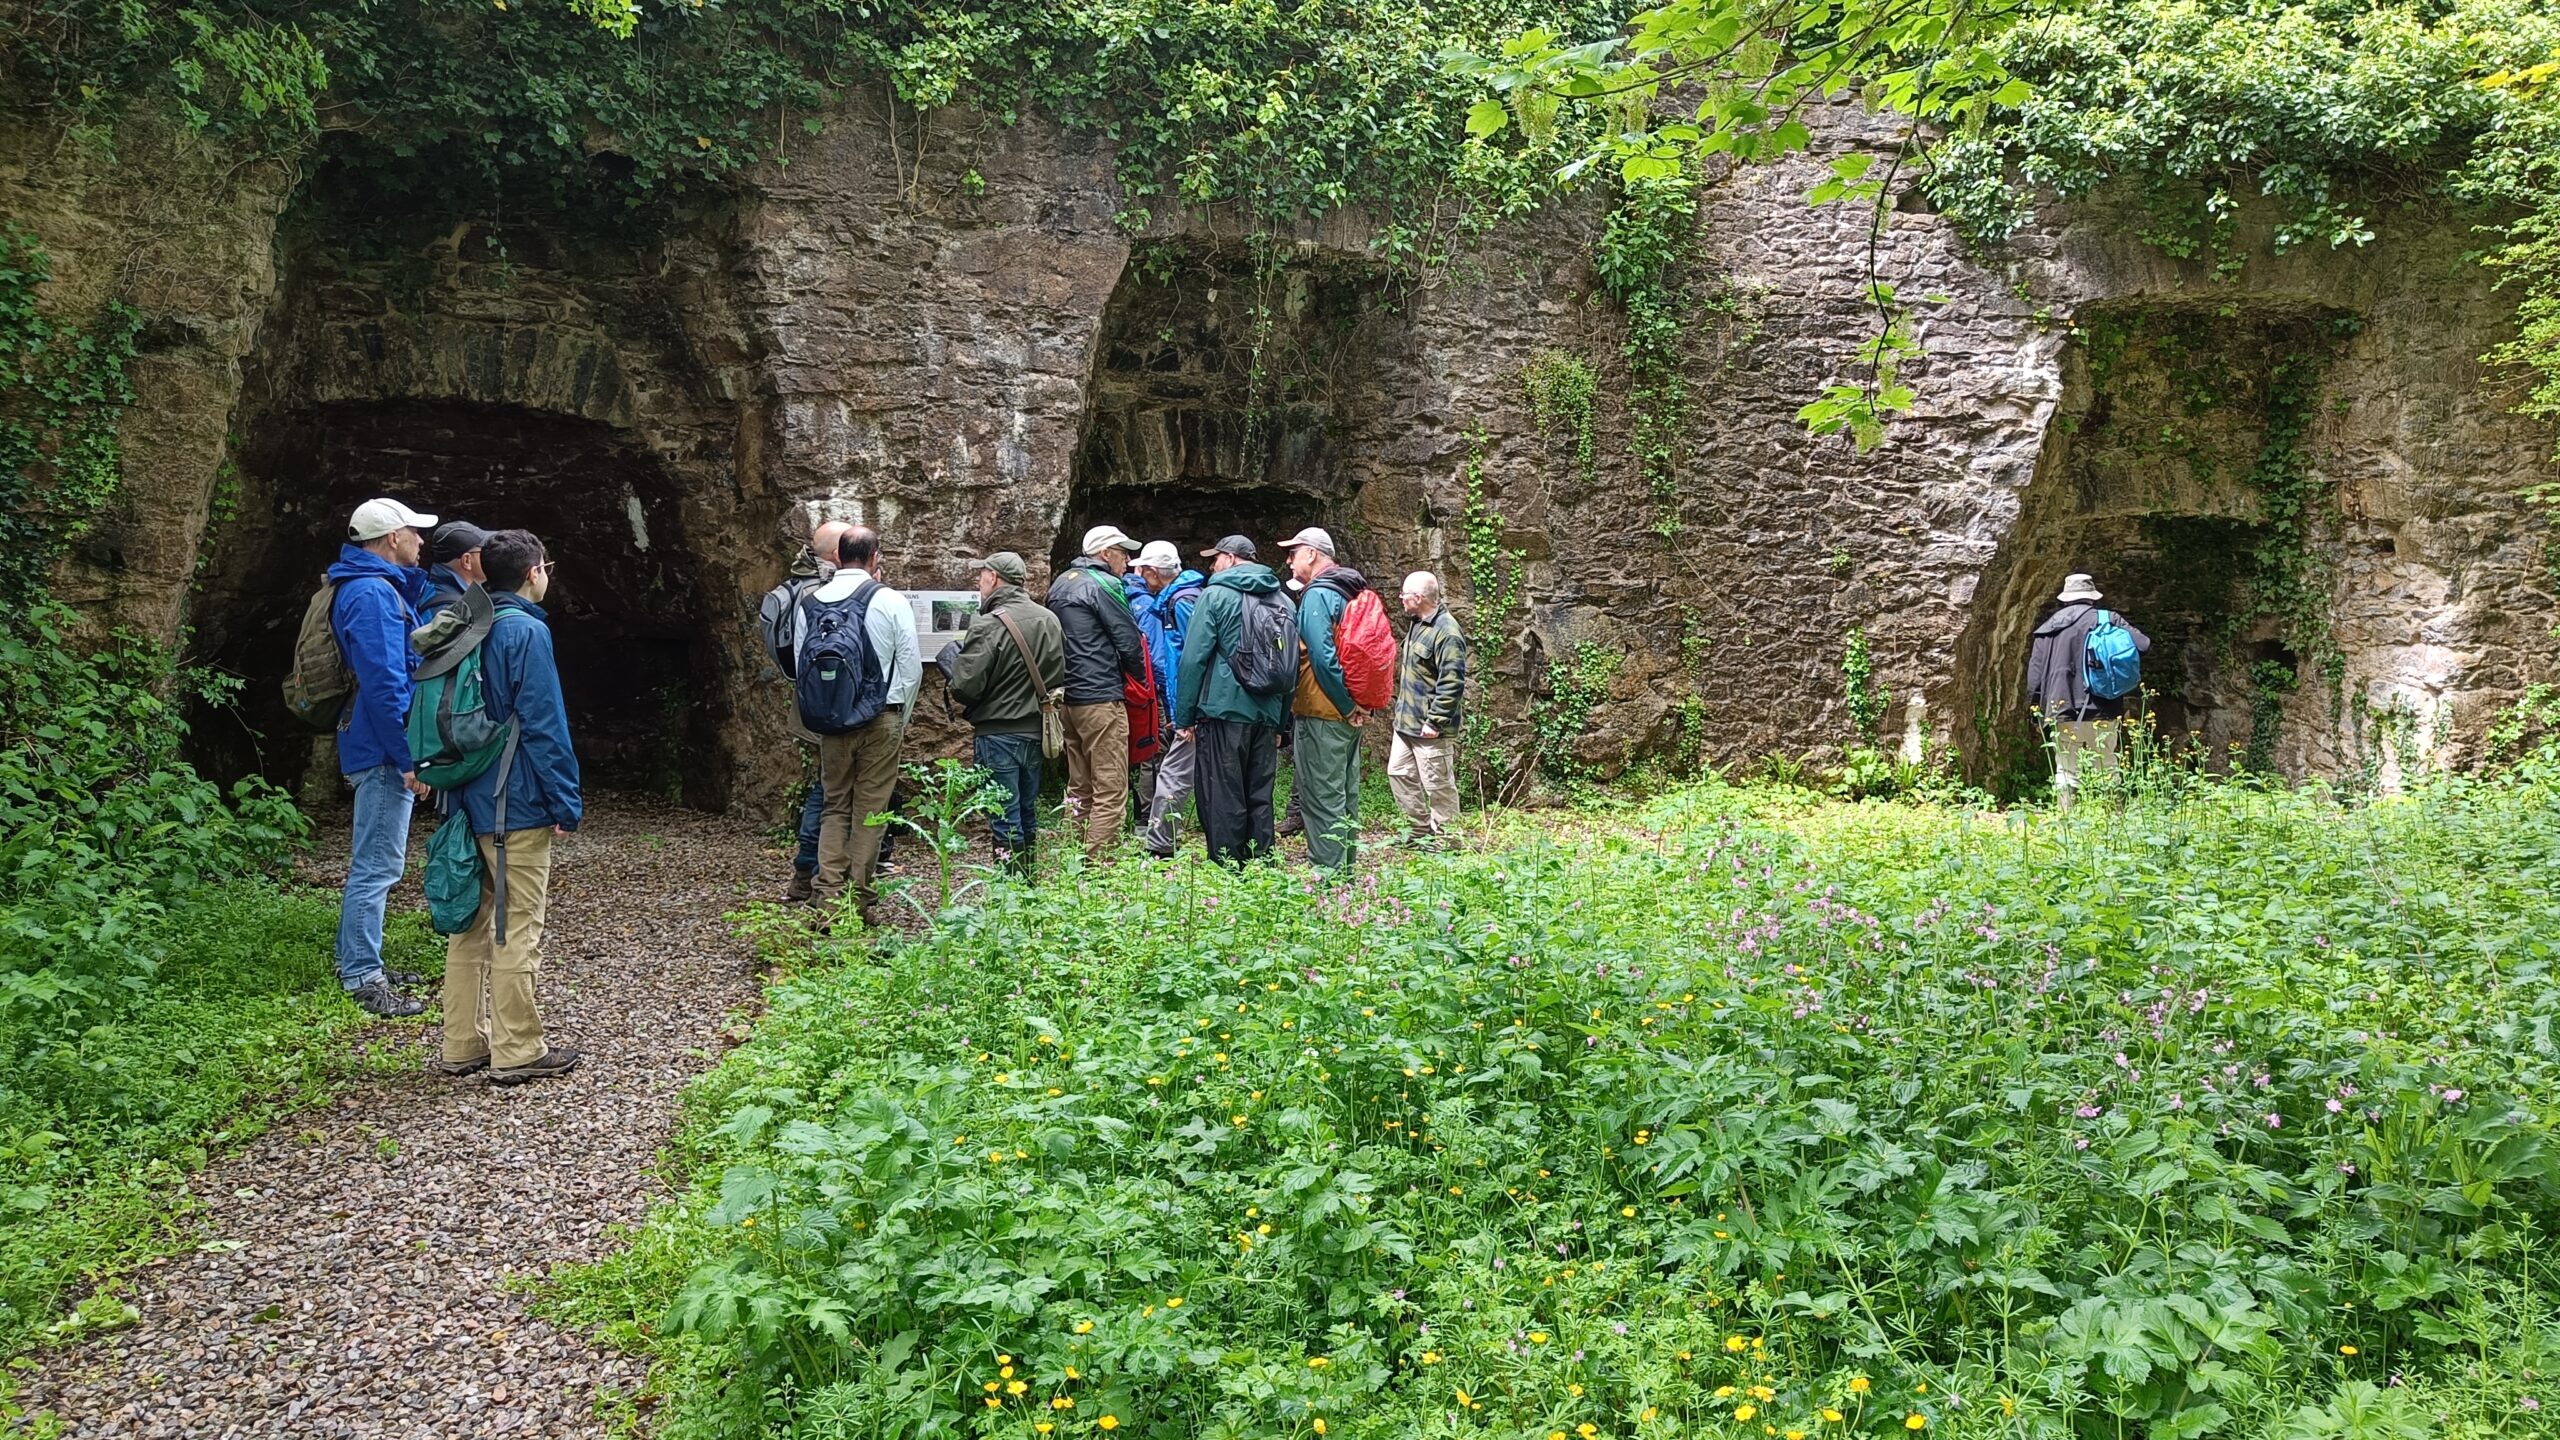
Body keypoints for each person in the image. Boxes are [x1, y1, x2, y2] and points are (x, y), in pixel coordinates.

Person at [431, 529, 585, 1085]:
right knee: (517, 925)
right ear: (532, 573)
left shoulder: (464, 624)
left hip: (462, 797)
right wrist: (565, 802)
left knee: (470, 925)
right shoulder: (525, 633)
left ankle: (461, 1044)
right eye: (546, 565)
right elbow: (544, 726)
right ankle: (517, 1049)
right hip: (513, 804)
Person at [328, 497, 438, 1019]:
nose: (422, 540)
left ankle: (362, 960)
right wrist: (408, 755)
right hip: (379, 746)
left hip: (375, 741)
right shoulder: (372, 593)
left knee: (378, 863)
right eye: (415, 531)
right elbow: (386, 682)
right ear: (392, 537)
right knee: (375, 865)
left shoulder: (374, 587)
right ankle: (362, 977)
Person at [792, 526, 920, 918]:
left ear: (837, 557)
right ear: (874, 557)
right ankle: (857, 900)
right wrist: (902, 715)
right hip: (881, 717)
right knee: (870, 810)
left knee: (834, 807)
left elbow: (801, 668)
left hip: (833, 722)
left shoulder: (811, 603)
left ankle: (827, 895)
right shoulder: (889, 600)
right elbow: (911, 668)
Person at [940, 552, 1066, 870]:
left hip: (997, 733)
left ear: (994, 578)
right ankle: (1027, 882)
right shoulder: (1049, 619)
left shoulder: (988, 624)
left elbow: (965, 687)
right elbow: (1059, 673)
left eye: (981, 575)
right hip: (1036, 729)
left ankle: (1009, 888)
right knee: (1026, 810)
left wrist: (954, 668)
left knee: (1002, 815)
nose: (979, 581)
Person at [1173, 535, 1289, 865]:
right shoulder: (1283, 600)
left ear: (1232, 559)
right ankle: (1262, 864)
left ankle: (1228, 868)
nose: (1212, 566)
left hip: (1223, 710)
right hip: (1267, 712)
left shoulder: (1215, 595)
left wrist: (1184, 717)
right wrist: (1282, 722)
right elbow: (1290, 666)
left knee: (1222, 790)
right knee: (1260, 792)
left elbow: (1193, 659)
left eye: (1216, 559)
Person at [1047, 524, 1148, 862]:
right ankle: (1099, 866)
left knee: (1079, 784)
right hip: (1101, 698)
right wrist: (1140, 682)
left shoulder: (1061, 583)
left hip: (1068, 699)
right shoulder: (1105, 584)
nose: (1127, 559)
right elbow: (1128, 640)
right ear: (1106, 555)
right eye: (1123, 552)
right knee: (1110, 785)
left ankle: (1071, 857)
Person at [1279, 527, 1371, 875]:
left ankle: (1328, 879)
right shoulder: (1350, 591)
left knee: (1320, 797)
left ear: (1313, 554)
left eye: (1294, 552)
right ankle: (1345, 871)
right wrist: (1357, 705)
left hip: (1323, 712)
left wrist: (1345, 705)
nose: (1289, 561)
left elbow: (1322, 657)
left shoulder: (1318, 595)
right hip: (1349, 713)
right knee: (1346, 794)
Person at [2025, 572, 2152, 812]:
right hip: (2104, 704)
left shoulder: (2048, 628)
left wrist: (2035, 712)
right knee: (2106, 763)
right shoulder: (2109, 619)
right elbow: (2143, 644)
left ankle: (2067, 822)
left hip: (2061, 707)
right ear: (2092, 597)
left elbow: (2035, 677)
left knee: (2066, 767)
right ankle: (2115, 821)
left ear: (2065, 598)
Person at [783, 519, 852, 902]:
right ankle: (808, 871)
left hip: (813, 706)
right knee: (827, 793)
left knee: (827, 790)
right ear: (840, 554)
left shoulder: (803, 585)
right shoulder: (821, 594)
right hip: (831, 710)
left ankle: (817, 871)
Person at [1132, 541, 1206, 858]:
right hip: (1191, 705)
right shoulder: (1174, 599)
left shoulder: (1181, 602)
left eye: (1141, 569)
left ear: (1151, 571)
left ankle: (1160, 846)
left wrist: (1184, 711)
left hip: (1194, 708)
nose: (1137, 574)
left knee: (1173, 774)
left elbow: (1193, 657)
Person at [1389, 571, 1466, 840]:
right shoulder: (1418, 622)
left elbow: (1452, 681)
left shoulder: (1447, 632)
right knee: (1398, 773)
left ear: (1419, 598)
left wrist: (1436, 721)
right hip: (1406, 723)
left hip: (1430, 727)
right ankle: (1418, 833)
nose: (1400, 599)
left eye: (1404, 595)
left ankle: (1448, 841)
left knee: (1438, 786)